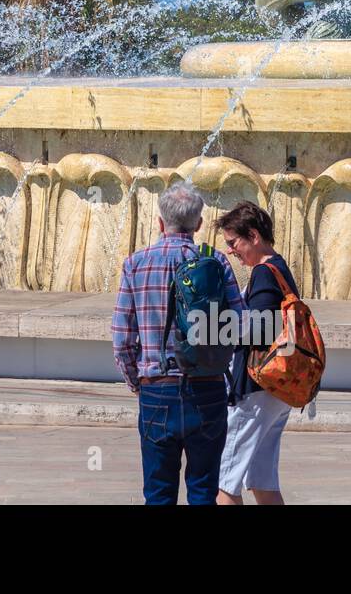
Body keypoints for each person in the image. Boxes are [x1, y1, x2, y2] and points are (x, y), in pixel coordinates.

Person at [111, 181, 247, 505]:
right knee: (203, 492)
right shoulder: (215, 262)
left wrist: (139, 382)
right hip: (207, 389)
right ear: (199, 224)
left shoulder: (135, 263)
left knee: (158, 494)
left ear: (160, 221)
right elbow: (239, 326)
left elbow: (121, 340)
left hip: (156, 388)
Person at [216, 201, 300, 507]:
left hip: (256, 390)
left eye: (233, 243)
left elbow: (259, 328)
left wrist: (218, 326)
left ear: (252, 235)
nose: (230, 251)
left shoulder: (265, 273)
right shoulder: (278, 267)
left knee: (224, 483)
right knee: (262, 482)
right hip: (278, 391)